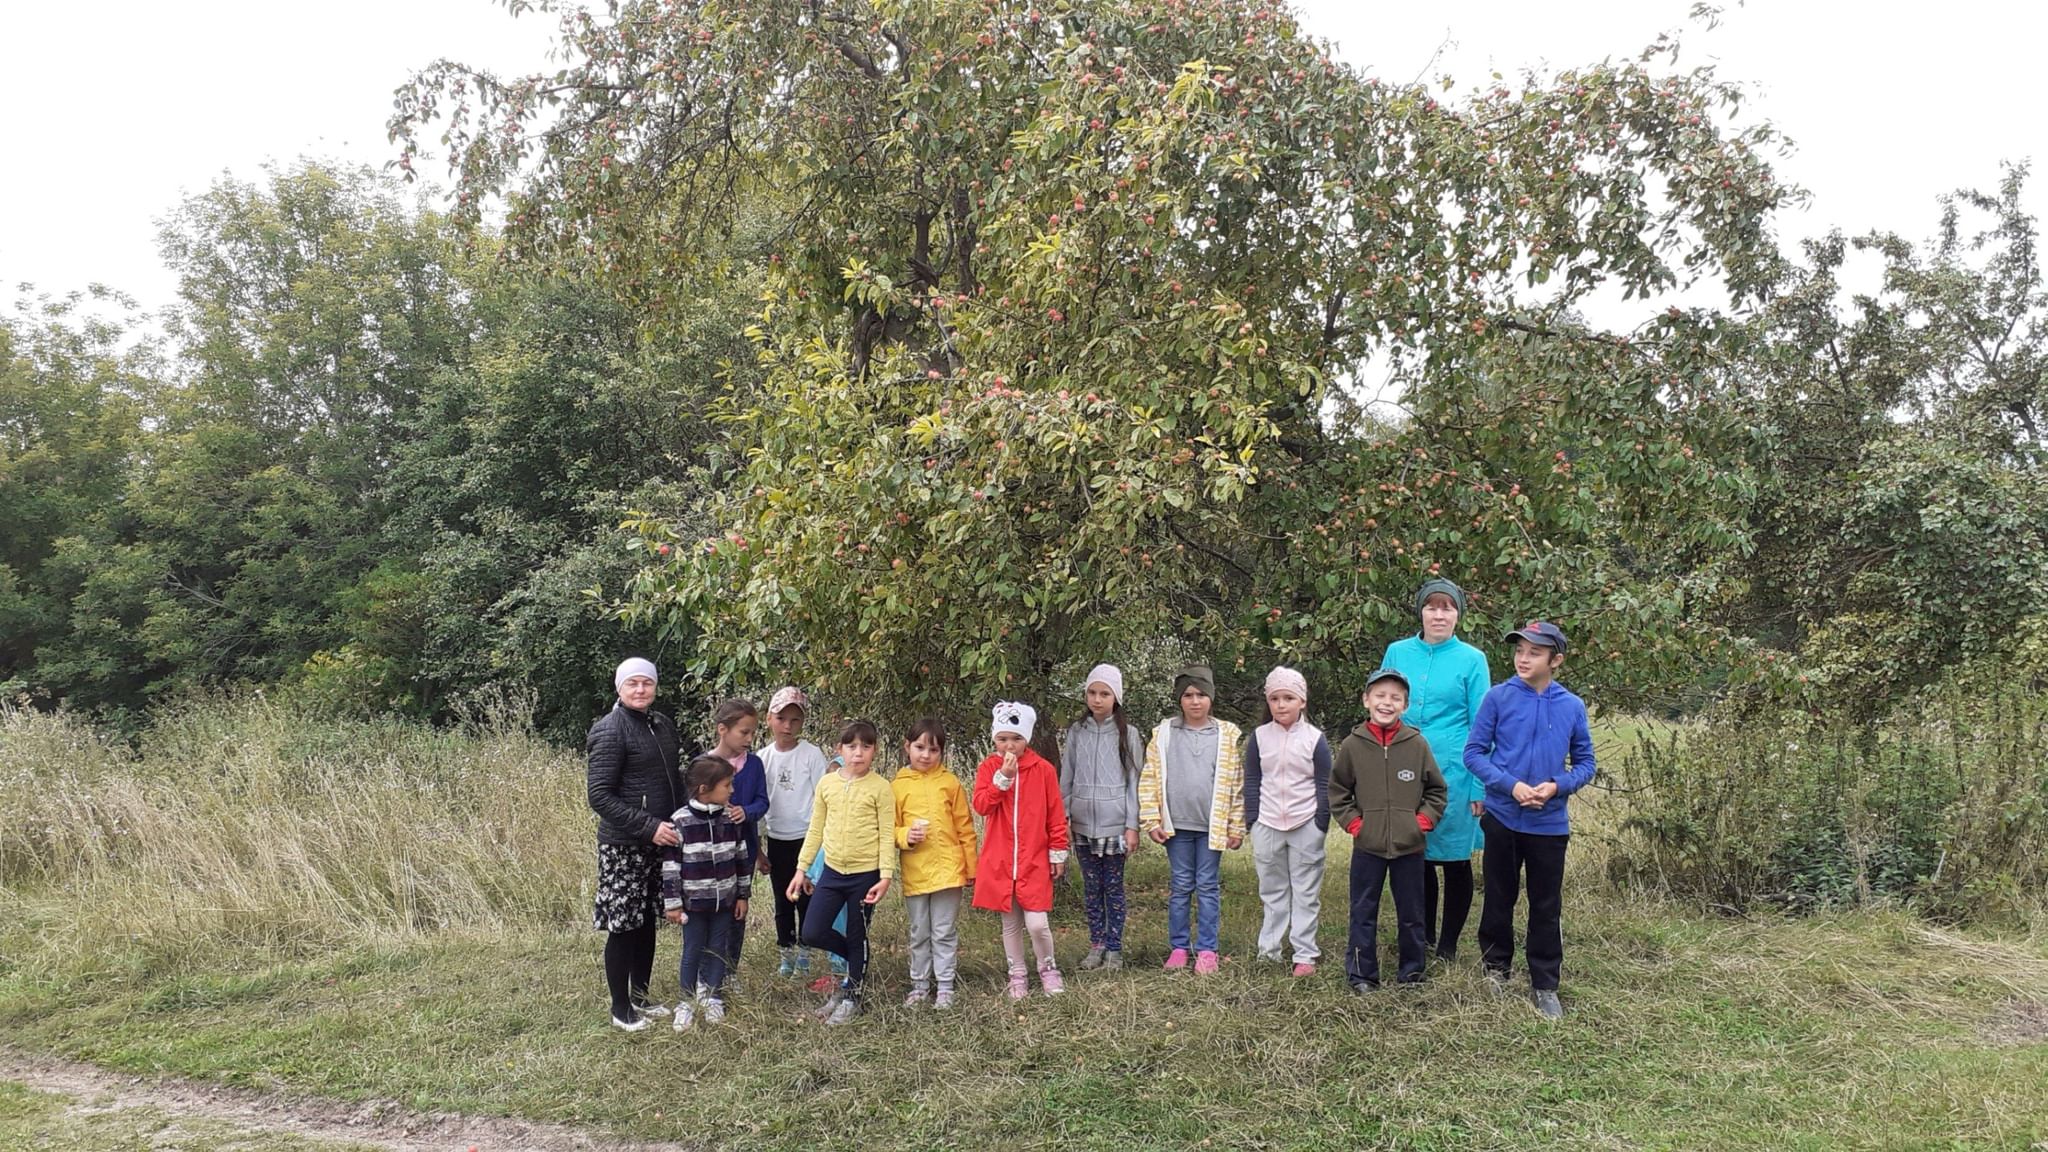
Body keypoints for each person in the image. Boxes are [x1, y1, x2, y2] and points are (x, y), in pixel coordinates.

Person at [1465, 620, 1596, 1020]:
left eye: (1534, 652)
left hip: (1549, 825)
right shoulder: (1498, 698)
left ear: (1555, 660)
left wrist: (1557, 786)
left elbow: (1586, 763)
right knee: (1499, 897)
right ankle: (1495, 968)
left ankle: (1545, 984)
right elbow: (1473, 754)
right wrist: (1510, 786)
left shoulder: (1571, 706)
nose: (1523, 658)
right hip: (1503, 817)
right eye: (1519, 650)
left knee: (1545, 904)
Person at [1380, 578, 1492, 961]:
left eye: (1447, 607)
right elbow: (1382, 705)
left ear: (1458, 614)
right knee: (1417, 855)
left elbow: (1483, 724)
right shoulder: (1397, 651)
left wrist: (1481, 787)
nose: (1439, 614)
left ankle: (1447, 945)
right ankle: (1423, 937)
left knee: (1455, 858)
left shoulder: (1472, 660)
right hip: (1403, 767)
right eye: (1432, 606)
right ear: (1421, 611)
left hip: (1455, 771)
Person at [585, 656, 692, 1031]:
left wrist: (684, 817)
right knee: (624, 924)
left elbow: (674, 780)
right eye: (633, 683)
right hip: (623, 845)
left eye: (647, 683)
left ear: (655, 686)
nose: (640, 689)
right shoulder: (610, 730)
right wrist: (647, 827)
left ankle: (641, 997)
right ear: (619, 688)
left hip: (660, 841)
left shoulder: (661, 725)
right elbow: (599, 795)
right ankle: (620, 1009)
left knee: (647, 919)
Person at [1331, 668, 1447, 992]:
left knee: (1412, 913)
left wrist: (1420, 823)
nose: (1387, 703)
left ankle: (1411, 974)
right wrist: (1356, 825)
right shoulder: (1352, 746)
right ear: (1366, 700)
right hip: (1367, 846)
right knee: (1362, 911)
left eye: (1396, 698)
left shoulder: (1417, 744)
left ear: (1405, 705)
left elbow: (1436, 791)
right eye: (1380, 696)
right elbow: (1338, 792)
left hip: (1409, 847)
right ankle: (1362, 976)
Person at [1138, 664, 1246, 975]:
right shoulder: (1164, 735)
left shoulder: (1225, 736)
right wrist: (1151, 819)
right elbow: (1149, 778)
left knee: (1208, 886)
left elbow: (1236, 784)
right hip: (1178, 827)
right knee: (1181, 885)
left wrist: (1235, 826)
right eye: (1188, 695)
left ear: (1211, 698)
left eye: (1201, 694)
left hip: (1211, 828)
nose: (1195, 701)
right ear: (1179, 699)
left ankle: (1208, 949)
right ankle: (1179, 947)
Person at [791, 720, 896, 1025]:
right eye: (851, 746)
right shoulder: (827, 784)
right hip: (833, 873)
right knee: (812, 931)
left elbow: (887, 833)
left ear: (874, 750)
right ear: (839, 750)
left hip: (866, 875)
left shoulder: (880, 788)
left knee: (856, 933)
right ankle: (854, 968)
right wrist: (802, 869)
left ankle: (852, 995)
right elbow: (816, 829)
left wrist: (885, 876)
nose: (858, 753)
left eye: (865, 746)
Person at [973, 701, 1073, 999]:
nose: (1009, 745)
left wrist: (1058, 851)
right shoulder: (989, 767)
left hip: (1033, 859)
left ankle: (1048, 967)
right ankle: (1017, 972)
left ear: (1026, 739)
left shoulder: (1042, 770)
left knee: (1038, 924)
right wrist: (1002, 779)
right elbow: (981, 805)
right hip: (1001, 860)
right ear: (994, 739)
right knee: (1010, 923)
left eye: (1016, 739)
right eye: (1003, 739)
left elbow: (1055, 813)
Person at [1242, 666, 1333, 977]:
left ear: (1302, 701)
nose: (1281, 705)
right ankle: (1269, 951)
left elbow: (1324, 782)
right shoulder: (1258, 737)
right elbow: (1252, 778)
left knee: (1306, 892)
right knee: (1272, 891)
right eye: (1275, 698)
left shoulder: (1315, 739)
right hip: (1267, 823)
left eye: (1288, 698)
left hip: (1305, 823)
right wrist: (1252, 819)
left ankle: (1305, 954)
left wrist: (1321, 821)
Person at [1059, 664, 1143, 972]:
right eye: (1092, 693)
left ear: (1116, 697)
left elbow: (1135, 782)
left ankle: (1115, 949)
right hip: (1082, 826)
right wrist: (1064, 818)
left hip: (1115, 826)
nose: (1097, 699)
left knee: (1113, 888)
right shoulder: (1076, 732)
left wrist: (1132, 825)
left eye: (1104, 693)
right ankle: (1096, 946)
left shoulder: (1128, 734)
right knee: (1092, 889)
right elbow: (1066, 777)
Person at [661, 756, 752, 1029]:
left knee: (717, 949)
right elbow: (670, 867)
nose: (732, 791)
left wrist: (742, 896)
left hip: (725, 902)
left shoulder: (730, 819)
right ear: (704, 789)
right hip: (693, 906)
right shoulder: (680, 822)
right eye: (727, 785)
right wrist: (673, 904)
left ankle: (713, 997)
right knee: (693, 951)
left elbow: (742, 858)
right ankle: (686, 1003)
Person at [893, 717, 977, 1008]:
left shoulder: (950, 783)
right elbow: (889, 828)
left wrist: (970, 868)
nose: (926, 755)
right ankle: (919, 985)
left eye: (934, 750)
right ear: (907, 747)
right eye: (919, 747)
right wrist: (905, 835)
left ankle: (944, 986)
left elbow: (965, 828)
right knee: (919, 931)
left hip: (949, 871)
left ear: (942, 752)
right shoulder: (897, 786)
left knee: (943, 930)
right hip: (916, 871)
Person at [759, 686, 830, 979]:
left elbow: (823, 798)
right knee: (782, 898)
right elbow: (760, 804)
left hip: (807, 838)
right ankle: (785, 952)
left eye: (795, 720)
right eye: (781, 718)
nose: (787, 726)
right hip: (778, 839)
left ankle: (806, 951)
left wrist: (822, 843)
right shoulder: (762, 758)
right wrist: (758, 849)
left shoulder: (812, 755)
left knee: (807, 898)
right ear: (769, 719)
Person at [707, 698, 769, 974]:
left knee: (738, 910)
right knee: (710, 911)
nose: (749, 738)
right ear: (723, 729)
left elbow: (762, 802)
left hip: (744, 852)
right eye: (744, 732)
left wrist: (747, 812)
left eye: (753, 732)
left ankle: (730, 971)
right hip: (710, 854)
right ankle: (706, 970)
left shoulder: (754, 765)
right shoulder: (704, 763)